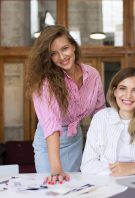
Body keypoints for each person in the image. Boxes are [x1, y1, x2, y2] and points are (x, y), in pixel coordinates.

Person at [26, 25, 105, 184]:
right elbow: (51, 125)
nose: (61, 57)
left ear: (74, 46)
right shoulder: (44, 82)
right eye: (53, 54)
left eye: (65, 48)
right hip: (49, 143)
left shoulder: (93, 75)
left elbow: (100, 114)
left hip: (74, 138)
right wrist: (56, 169)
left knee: (74, 187)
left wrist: (105, 152)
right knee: (54, 188)